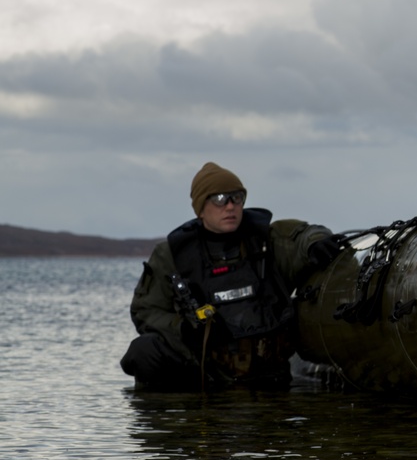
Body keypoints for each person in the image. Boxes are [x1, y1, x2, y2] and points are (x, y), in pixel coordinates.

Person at [120, 162, 345, 390]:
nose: (230, 207)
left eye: (236, 198)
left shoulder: (268, 240)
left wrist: (316, 245)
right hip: (205, 370)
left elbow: (305, 235)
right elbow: (145, 311)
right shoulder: (172, 255)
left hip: (269, 370)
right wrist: (185, 330)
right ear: (200, 208)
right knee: (143, 351)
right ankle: (172, 418)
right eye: (219, 199)